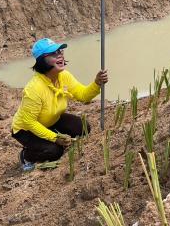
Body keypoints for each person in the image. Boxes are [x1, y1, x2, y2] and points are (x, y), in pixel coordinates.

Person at [11, 37, 109, 171]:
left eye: (60, 51)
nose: (60, 55)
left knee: (83, 127)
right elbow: (29, 122)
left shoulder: (64, 76)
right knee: (54, 151)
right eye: (53, 54)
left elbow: (83, 95)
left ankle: (50, 137)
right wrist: (54, 138)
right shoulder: (33, 89)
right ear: (41, 60)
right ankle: (26, 156)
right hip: (26, 130)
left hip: (52, 120)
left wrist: (97, 83)